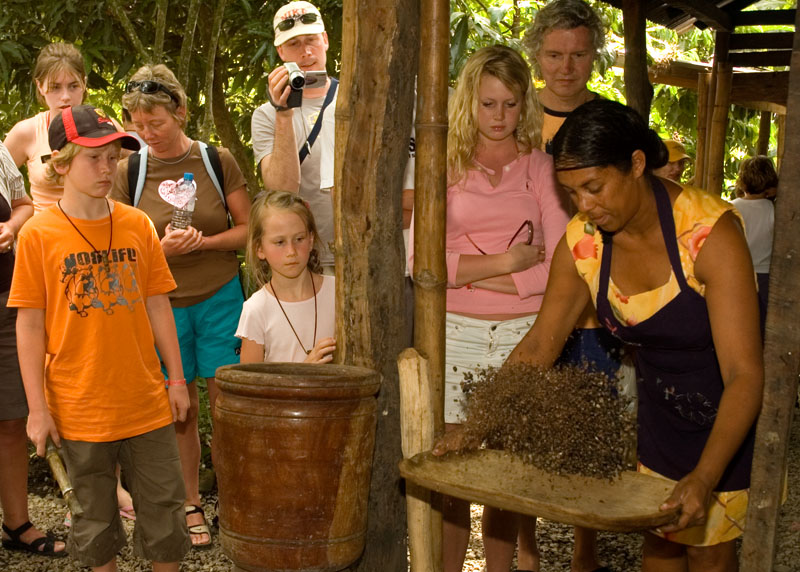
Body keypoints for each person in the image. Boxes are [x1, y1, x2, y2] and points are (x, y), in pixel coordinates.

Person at [437, 100, 761, 572]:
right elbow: (538, 345)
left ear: (635, 164)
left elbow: (745, 372)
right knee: (661, 548)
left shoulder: (710, 233)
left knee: (710, 553)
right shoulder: (583, 242)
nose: (584, 206)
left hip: (724, 413)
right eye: (571, 193)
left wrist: (705, 475)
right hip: (659, 414)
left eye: (593, 187)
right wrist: (478, 425)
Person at [9, 104, 192, 571]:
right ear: (62, 162)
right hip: (78, 405)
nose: (107, 168)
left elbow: (157, 304)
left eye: (113, 157)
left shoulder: (136, 224)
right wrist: (37, 409)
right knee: (93, 522)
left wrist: (175, 380)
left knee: (166, 515)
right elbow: (28, 325)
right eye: (94, 157)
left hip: (145, 401)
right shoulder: (38, 236)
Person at [409, 45, 569, 572]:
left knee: (506, 471)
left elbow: (563, 269)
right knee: (454, 469)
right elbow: (418, 259)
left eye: (508, 104)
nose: (498, 117)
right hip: (454, 331)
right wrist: (509, 262)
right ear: (468, 104)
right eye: (487, 104)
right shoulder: (444, 166)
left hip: (526, 335)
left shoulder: (541, 167)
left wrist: (476, 276)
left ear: (524, 105)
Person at [110, 63, 251, 548]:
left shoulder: (217, 159)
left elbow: (248, 229)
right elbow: (117, 240)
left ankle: (238, 501)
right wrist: (159, 251)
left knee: (227, 403)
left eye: (158, 123)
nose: (148, 134)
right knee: (181, 407)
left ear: (182, 112)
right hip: (162, 305)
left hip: (220, 296)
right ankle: (191, 503)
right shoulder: (130, 167)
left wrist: (204, 242)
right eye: (138, 125)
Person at [524, 4, 619, 569]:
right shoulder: (508, 115)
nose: (567, 67)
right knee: (524, 428)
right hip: (521, 300)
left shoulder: (611, 121)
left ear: (594, 54)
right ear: (538, 55)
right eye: (556, 54)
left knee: (592, 431)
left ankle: (586, 552)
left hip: (592, 307)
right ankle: (528, 552)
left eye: (579, 54)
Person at [0, 142, 65, 558]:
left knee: (10, 420)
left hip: (6, 300)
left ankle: (17, 523)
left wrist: (11, 227)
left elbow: (22, 204)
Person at [252, 1, 338, 273]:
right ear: (280, 52)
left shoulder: (355, 99)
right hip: (303, 258)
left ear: (325, 40)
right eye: (294, 44)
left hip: (361, 245)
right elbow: (283, 190)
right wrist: (283, 113)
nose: (306, 52)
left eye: (311, 40)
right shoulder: (267, 116)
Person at [237, 190, 335, 364]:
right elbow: (251, 388)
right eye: (280, 242)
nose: (291, 252)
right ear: (259, 249)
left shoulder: (337, 292)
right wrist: (304, 372)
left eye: (299, 239)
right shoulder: (256, 310)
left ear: (311, 239)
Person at [3, 43, 86, 212]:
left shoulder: (106, 127)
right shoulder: (27, 132)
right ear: (40, 86)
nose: (65, 97)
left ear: (84, 84)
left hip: (99, 232)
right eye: (55, 87)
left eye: (73, 86)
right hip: (43, 234)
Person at [732, 155, 777, 338]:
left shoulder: (730, 208)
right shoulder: (774, 211)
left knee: (740, 325)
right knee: (764, 329)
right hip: (766, 277)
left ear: (742, 180)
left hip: (738, 274)